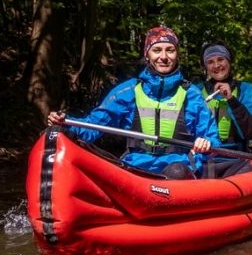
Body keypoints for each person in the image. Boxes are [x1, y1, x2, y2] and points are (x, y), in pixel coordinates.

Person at [46, 26, 219, 179]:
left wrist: (206, 144)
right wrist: (66, 124)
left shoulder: (192, 95)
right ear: (147, 55)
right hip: (135, 167)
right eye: (157, 50)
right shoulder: (128, 91)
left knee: (176, 172)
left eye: (170, 50)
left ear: (177, 54)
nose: (164, 56)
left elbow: (212, 138)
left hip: (178, 167)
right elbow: (93, 125)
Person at [194, 42, 252, 178]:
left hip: (238, 158)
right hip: (204, 158)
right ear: (206, 67)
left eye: (221, 59)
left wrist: (231, 99)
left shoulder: (245, 90)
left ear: (229, 61)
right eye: (210, 62)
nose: (216, 65)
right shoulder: (196, 91)